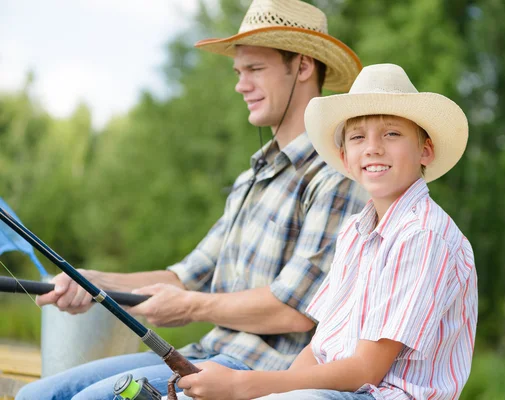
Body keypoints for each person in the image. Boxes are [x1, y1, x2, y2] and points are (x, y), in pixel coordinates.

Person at [16, 1, 367, 399]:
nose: (240, 85)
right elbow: (184, 277)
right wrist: (95, 282)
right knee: (35, 396)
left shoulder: (334, 175)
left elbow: (295, 311)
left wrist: (192, 307)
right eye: (239, 72)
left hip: (258, 370)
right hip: (202, 355)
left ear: (303, 67)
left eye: (255, 69)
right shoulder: (251, 178)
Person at [171, 64, 478, 400]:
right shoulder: (353, 232)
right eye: (359, 137)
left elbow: (366, 369)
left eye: (391, 134)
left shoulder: (423, 234)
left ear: (426, 150)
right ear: (345, 158)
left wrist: (242, 386)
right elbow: (319, 348)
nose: (373, 147)